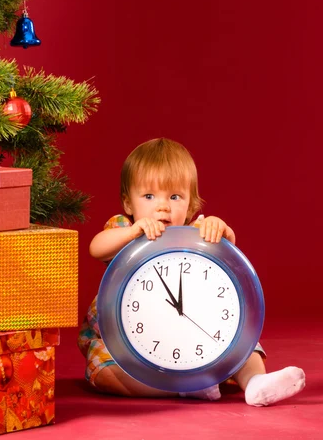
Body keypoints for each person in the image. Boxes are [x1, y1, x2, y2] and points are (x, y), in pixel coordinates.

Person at [78, 138, 305, 406]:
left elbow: (229, 251)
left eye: (174, 197)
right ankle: (184, 389)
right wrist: (132, 232)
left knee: (244, 345)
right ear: (128, 204)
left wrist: (220, 229)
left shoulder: (197, 230)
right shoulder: (124, 228)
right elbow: (96, 248)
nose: (162, 206)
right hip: (127, 340)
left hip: (194, 329)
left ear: (192, 205)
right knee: (105, 374)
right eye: (149, 196)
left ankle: (256, 384)